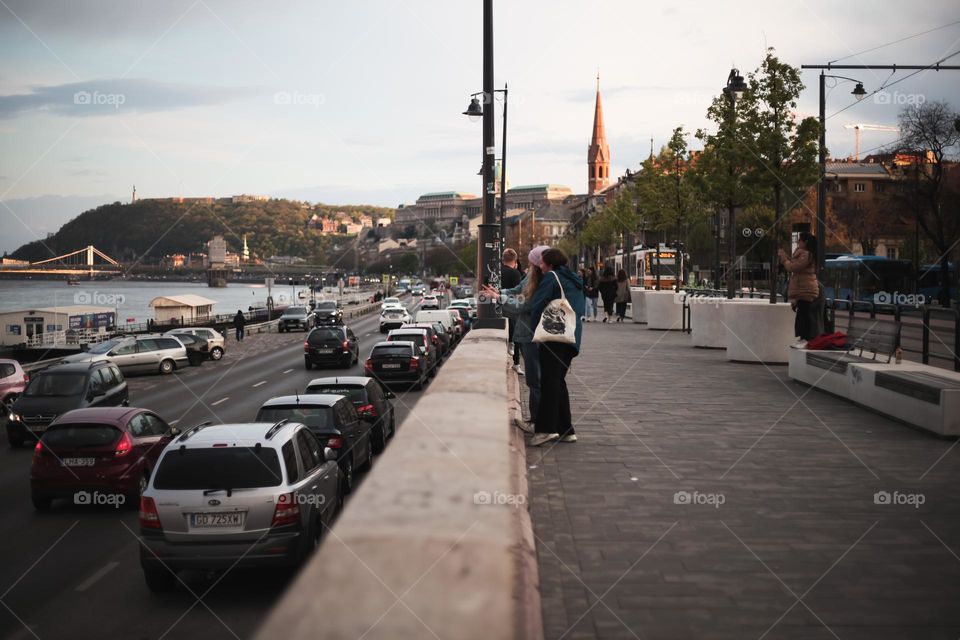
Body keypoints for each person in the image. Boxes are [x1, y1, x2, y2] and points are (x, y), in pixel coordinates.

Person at [481, 245, 549, 430]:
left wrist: (498, 298)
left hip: (533, 335)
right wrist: (499, 293)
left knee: (536, 381)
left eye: (531, 261)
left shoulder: (541, 281)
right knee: (537, 380)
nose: (528, 263)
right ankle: (542, 420)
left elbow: (522, 305)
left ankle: (538, 422)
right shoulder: (532, 277)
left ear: (536, 263)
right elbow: (518, 290)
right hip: (530, 334)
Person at [529, 248, 586, 446]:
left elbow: (537, 306)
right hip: (572, 336)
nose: (540, 266)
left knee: (549, 382)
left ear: (550, 264)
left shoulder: (551, 278)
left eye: (542, 263)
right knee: (558, 380)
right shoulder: (575, 280)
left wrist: (534, 329)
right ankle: (566, 429)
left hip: (553, 335)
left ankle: (546, 429)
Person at [778, 232, 819, 347]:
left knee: (804, 314)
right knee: (802, 313)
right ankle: (803, 338)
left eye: (799, 240)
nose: (797, 242)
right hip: (803, 289)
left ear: (805, 242)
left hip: (805, 288)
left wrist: (785, 260)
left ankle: (806, 338)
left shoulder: (806, 255)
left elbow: (793, 267)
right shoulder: (803, 255)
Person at [501, 248, 523, 369]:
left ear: (502, 259)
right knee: (516, 335)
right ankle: (517, 363)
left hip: (497, 306)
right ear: (515, 261)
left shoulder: (496, 271)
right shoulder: (515, 274)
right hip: (510, 307)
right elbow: (517, 293)